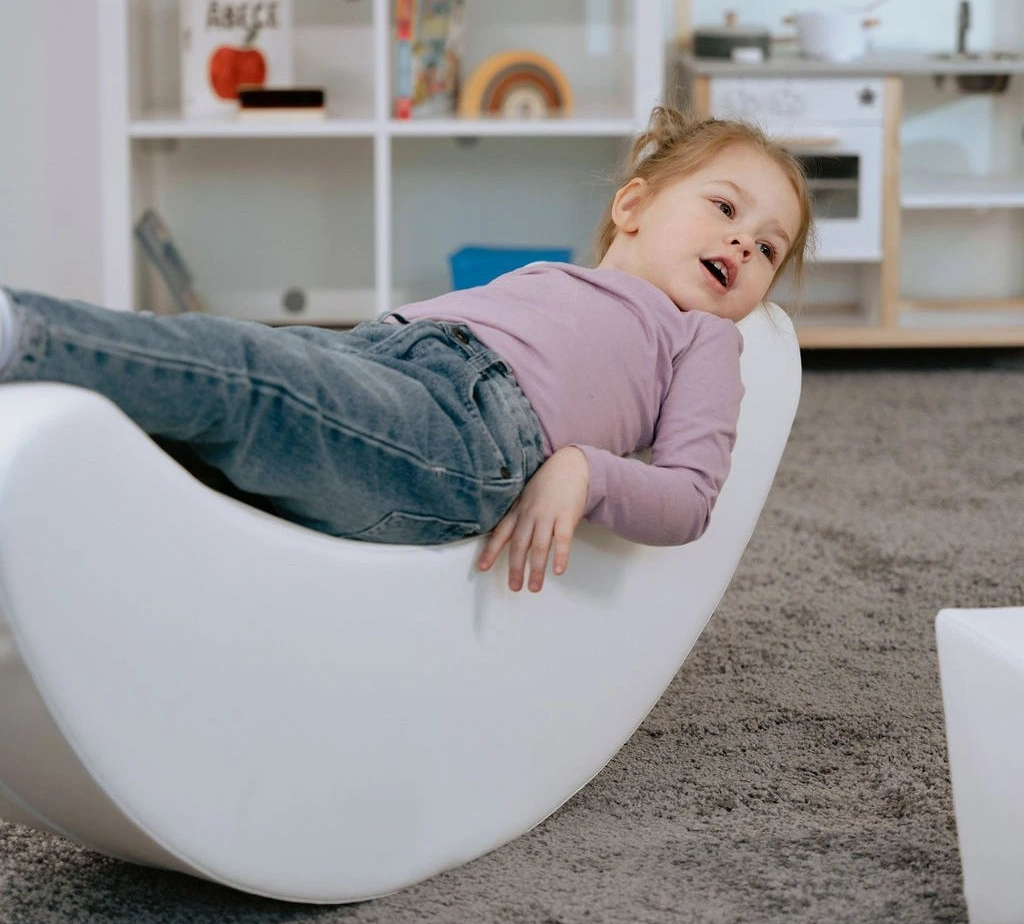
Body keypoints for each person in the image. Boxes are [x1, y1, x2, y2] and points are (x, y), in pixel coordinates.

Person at [0, 106, 812, 593]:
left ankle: (22, 332)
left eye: (769, 249)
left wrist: (585, 470)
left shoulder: (702, 338)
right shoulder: (563, 279)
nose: (742, 244)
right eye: (723, 208)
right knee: (212, 374)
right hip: (391, 359)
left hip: (466, 437)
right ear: (634, 205)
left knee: (246, 382)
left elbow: (690, 498)